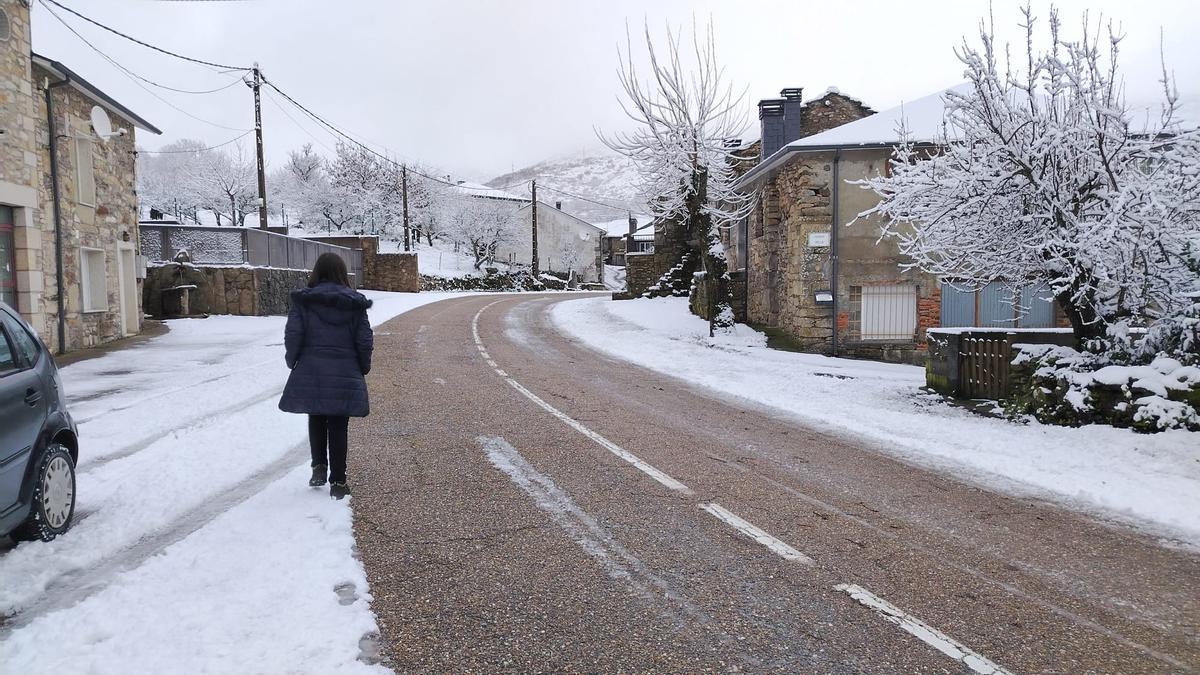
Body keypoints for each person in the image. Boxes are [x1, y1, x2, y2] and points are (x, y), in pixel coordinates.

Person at [278, 253, 373, 499]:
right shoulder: (355, 303)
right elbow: (364, 340)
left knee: (316, 415)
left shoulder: (305, 301)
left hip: (312, 368)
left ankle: (318, 467)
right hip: (345, 369)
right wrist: (363, 366)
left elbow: (293, 334)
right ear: (342, 273)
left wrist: (292, 361)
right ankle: (338, 482)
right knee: (339, 424)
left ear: (317, 272)